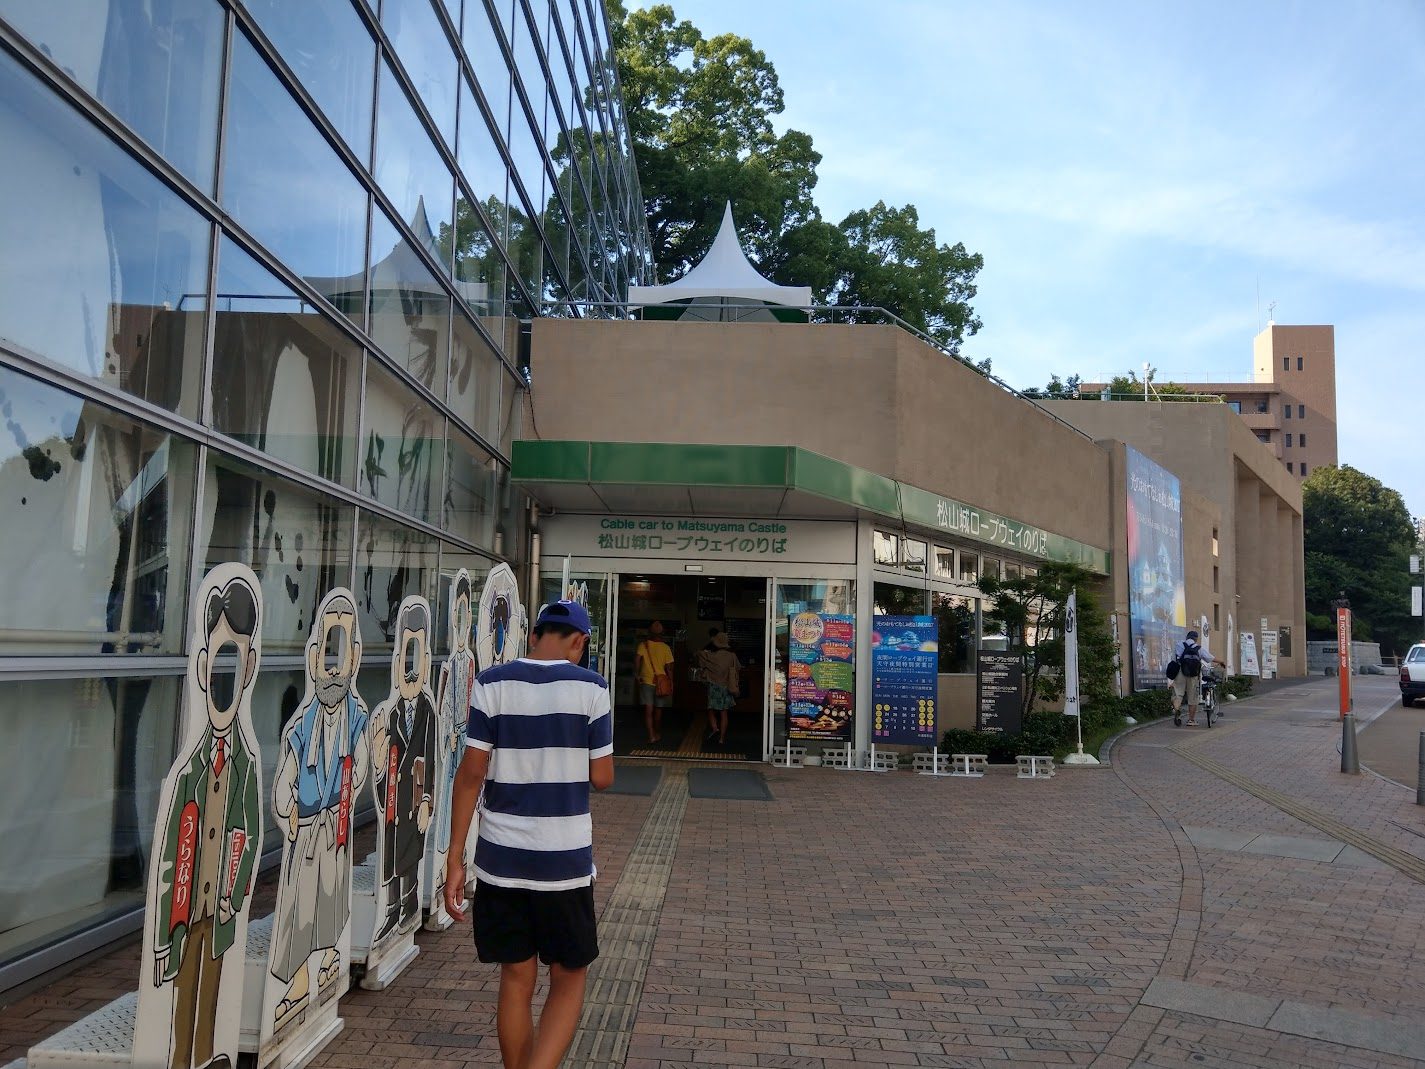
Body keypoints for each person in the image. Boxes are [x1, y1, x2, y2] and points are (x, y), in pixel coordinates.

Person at [445, 600, 614, 1069]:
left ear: (535, 635)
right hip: (563, 861)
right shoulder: (592, 687)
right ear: (580, 641)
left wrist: (455, 857)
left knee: (516, 979)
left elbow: (470, 774)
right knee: (569, 976)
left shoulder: (491, 682)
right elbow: (602, 777)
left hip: (501, 859)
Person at [1170, 628, 1222, 727]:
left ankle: (1176, 709)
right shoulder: (1198, 648)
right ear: (1196, 639)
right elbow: (1210, 658)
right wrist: (1221, 662)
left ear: (1187, 637)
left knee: (1178, 694)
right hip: (1193, 674)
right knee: (1193, 697)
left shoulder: (1178, 645)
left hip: (1180, 671)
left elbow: (1173, 659)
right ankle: (1191, 720)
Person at [698, 631, 741, 746]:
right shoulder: (732, 656)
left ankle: (714, 727)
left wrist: (709, 645)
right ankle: (721, 738)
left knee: (710, 709)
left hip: (713, 687)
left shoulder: (711, 656)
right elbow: (738, 668)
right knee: (723, 713)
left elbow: (699, 653)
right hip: (726, 687)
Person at [634, 620, 674, 744]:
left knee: (648, 709)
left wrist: (637, 675)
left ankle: (651, 735)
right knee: (658, 709)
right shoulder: (666, 648)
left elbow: (637, 661)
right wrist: (671, 682)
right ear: (662, 633)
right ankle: (657, 732)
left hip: (646, 680)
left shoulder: (643, 645)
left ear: (649, 632)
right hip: (661, 682)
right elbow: (669, 668)